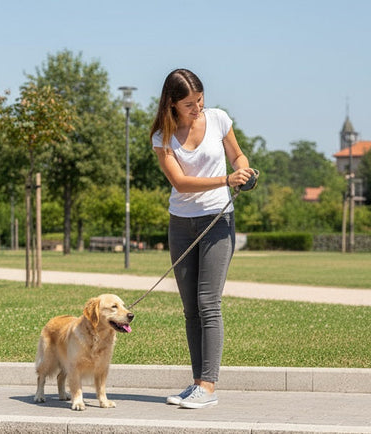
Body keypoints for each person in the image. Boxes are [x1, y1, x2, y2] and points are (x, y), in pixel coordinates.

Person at [149, 68, 255, 409]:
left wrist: (244, 171)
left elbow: (237, 155)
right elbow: (180, 182)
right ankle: (198, 383)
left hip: (217, 221)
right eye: (189, 103)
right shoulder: (161, 138)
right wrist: (226, 177)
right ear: (172, 104)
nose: (198, 107)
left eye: (200, 100)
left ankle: (208, 387)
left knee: (209, 303)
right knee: (190, 309)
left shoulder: (219, 119)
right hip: (181, 224)